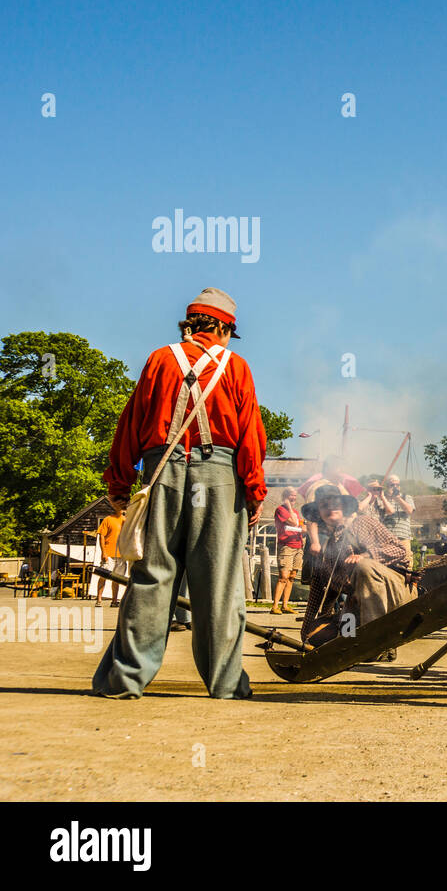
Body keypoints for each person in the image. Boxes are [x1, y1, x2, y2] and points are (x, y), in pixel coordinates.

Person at [94, 287, 266, 700]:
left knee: (152, 577)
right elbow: (250, 436)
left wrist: (119, 483)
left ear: (190, 324)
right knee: (219, 584)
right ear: (224, 327)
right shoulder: (236, 367)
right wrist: (254, 493)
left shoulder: (159, 360)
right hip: (220, 478)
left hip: (162, 473)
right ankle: (225, 685)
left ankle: (126, 681)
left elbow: (131, 423)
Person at [299, 484, 418, 658]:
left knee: (364, 567)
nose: (330, 508)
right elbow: (316, 595)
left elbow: (401, 550)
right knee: (338, 640)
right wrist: (305, 635)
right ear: (319, 515)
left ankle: (375, 644)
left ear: (344, 507)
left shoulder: (362, 522)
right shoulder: (327, 549)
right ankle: (374, 646)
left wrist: (367, 555)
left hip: (396, 595)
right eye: (324, 506)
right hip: (358, 606)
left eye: (334, 503)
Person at [271, 487, 304, 614]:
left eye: (295, 495)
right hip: (286, 546)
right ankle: (274, 606)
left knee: (292, 577)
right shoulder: (281, 510)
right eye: (291, 495)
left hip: (298, 545)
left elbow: (301, 525)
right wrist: (289, 507)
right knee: (283, 577)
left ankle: (285, 605)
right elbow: (294, 523)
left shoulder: (295, 511)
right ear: (285, 496)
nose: (294, 498)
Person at [93, 506, 126, 607]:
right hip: (109, 554)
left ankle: (114, 601)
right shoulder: (108, 519)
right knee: (103, 576)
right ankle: (99, 600)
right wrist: (104, 552)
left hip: (122, 555)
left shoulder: (127, 521)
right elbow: (101, 535)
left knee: (117, 579)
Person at [379, 474, 416, 562]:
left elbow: (410, 511)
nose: (395, 487)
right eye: (392, 485)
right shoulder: (381, 499)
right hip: (386, 539)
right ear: (387, 486)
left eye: (397, 485)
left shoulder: (406, 497)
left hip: (403, 537)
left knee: (406, 561)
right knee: (387, 562)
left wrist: (398, 499)